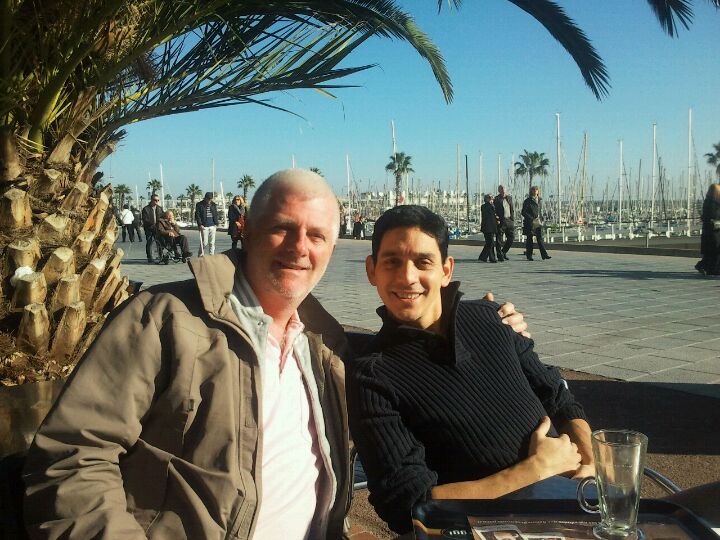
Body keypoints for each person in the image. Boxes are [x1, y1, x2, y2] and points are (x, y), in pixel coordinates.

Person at [22, 171, 528, 540]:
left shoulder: (327, 344)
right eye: (283, 228)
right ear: (245, 231)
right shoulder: (166, 319)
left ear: (332, 249)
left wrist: (480, 325)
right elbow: (73, 456)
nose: (299, 247)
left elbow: (405, 367)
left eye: (317, 235)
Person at [346, 205, 593, 534]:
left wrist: (589, 463)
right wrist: (535, 470)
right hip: (483, 529)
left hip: (574, 505)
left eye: (423, 262)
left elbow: (557, 397)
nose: (407, 277)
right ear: (372, 270)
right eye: (392, 262)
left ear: (446, 270)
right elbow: (406, 504)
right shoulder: (372, 375)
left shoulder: (492, 318)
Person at [695, 183, 720, 276]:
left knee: (711, 251)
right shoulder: (713, 203)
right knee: (714, 250)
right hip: (714, 229)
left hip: (710, 229)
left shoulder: (708, 202)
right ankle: (712, 269)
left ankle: (704, 265)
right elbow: (714, 214)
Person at [521, 185, 551, 261]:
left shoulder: (540, 200)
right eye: (533, 190)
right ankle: (529, 255)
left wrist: (542, 218)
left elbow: (540, 211)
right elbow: (523, 212)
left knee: (540, 238)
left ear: (538, 191)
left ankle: (544, 254)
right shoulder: (527, 201)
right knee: (529, 238)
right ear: (531, 191)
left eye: (536, 190)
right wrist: (531, 218)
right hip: (530, 222)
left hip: (538, 221)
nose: (535, 191)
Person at [478, 194, 502, 263]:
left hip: (492, 227)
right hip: (487, 227)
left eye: (492, 199)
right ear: (487, 199)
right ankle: (488, 257)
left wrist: (497, 219)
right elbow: (489, 213)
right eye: (491, 198)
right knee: (490, 243)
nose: (492, 200)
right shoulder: (485, 206)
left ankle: (485, 257)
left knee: (489, 243)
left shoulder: (492, 206)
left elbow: (494, 215)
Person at [141, 193, 163, 263]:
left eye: (158, 200)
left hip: (157, 228)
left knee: (159, 242)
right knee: (149, 242)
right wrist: (152, 224)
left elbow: (162, 217)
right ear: (151, 200)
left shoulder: (160, 208)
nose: (157, 202)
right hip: (149, 228)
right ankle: (149, 257)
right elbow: (145, 219)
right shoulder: (146, 209)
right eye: (155, 200)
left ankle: (161, 256)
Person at [195, 191, 219, 256]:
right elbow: (197, 215)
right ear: (205, 198)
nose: (209, 200)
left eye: (210, 199)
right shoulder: (199, 205)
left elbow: (215, 214)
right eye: (208, 199)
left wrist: (216, 223)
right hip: (204, 226)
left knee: (212, 242)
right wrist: (200, 224)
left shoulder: (213, 204)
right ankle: (200, 255)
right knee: (204, 243)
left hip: (212, 225)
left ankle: (211, 256)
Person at [494, 184, 514, 259]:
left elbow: (512, 209)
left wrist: (512, 219)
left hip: (509, 220)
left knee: (511, 238)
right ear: (499, 190)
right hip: (501, 221)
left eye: (504, 188)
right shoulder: (496, 199)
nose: (503, 190)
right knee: (499, 239)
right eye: (501, 189)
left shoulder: (509, 198)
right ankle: (500, 255)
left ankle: (503, 252)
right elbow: (494, 210)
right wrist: (497, 219)